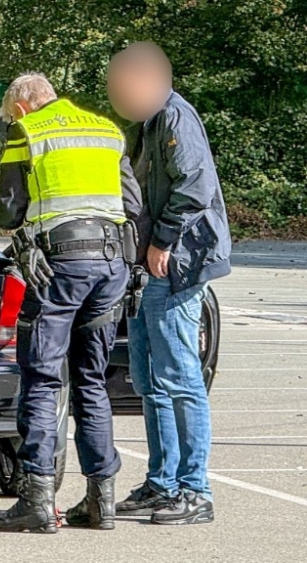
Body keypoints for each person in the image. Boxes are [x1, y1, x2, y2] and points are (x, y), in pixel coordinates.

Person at [0, 73, 142, 534]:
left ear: (21, 107)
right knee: (91, 380)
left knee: (41, 378)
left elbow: (7, 211)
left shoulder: (28, 132)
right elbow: (132, 202)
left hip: (59, 267)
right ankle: (101, 501)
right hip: (111, 264)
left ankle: (36, 498)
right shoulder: (106, 130)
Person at [107, 42, 231, 526]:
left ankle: (195, 489)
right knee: (149, 379)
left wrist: (160, 241)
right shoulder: (149, 124)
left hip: (179, 263)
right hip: (151, 266)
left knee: (179, 377)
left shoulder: (177, 119)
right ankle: (163, 482)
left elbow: (195, 188)